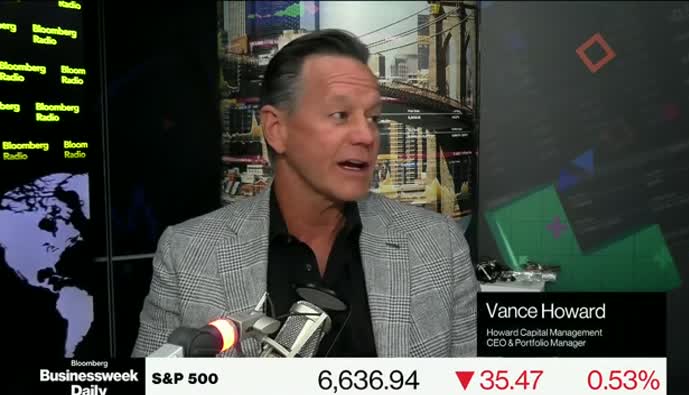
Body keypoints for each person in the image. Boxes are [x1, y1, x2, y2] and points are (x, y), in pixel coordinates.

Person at [132, 29, 479, 358]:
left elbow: (472, 385)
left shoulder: (439, 247)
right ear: (276, 129)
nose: (367, 136)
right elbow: (152, 385)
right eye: (340, 115)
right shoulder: (188, 254)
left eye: (373, 118)